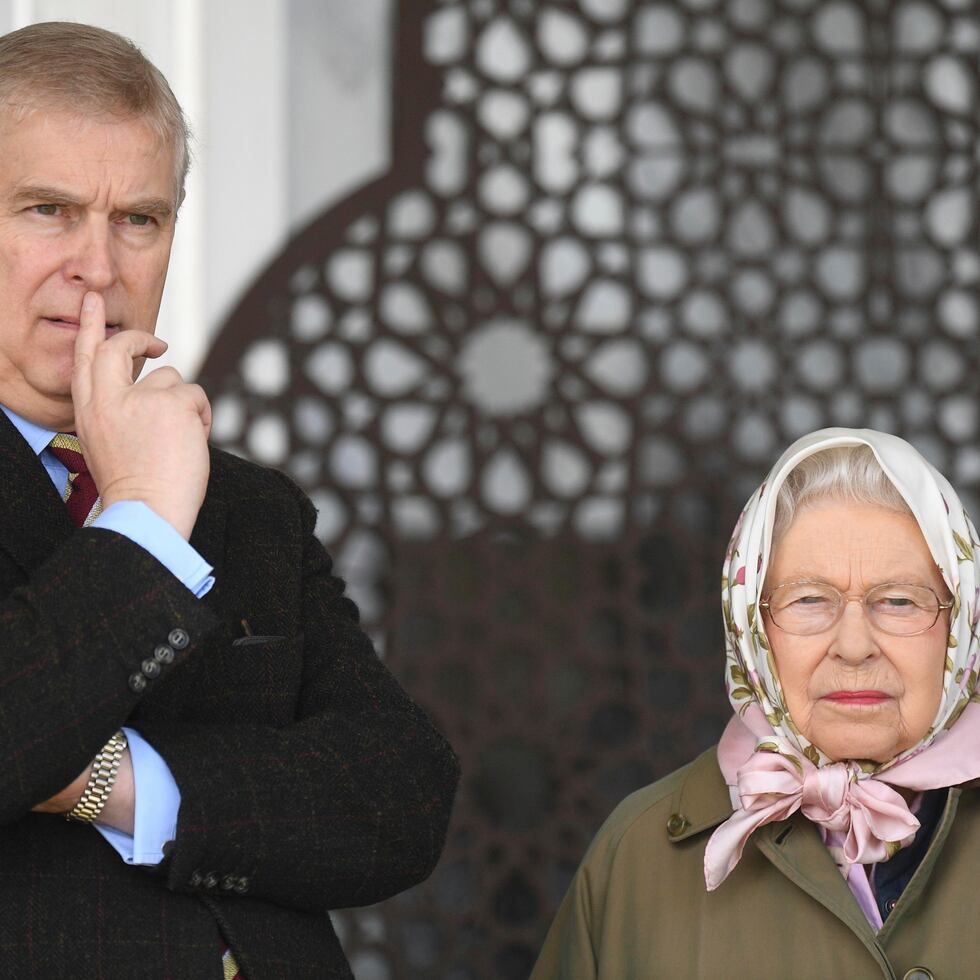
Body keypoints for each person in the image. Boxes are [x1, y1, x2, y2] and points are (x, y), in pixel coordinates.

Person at [0, 21, 458, 979]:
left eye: (139, 219)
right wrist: (139, 520)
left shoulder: (251, 504)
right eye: (48, 210)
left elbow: (401, 798)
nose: (99, 266)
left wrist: (118, 784)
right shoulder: (166, 491)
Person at [531, 427, 980, 978]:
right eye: (810, 599)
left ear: (960, 627)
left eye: (900, 601)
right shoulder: (636, 857)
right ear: (753, 632)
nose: (856, 645)